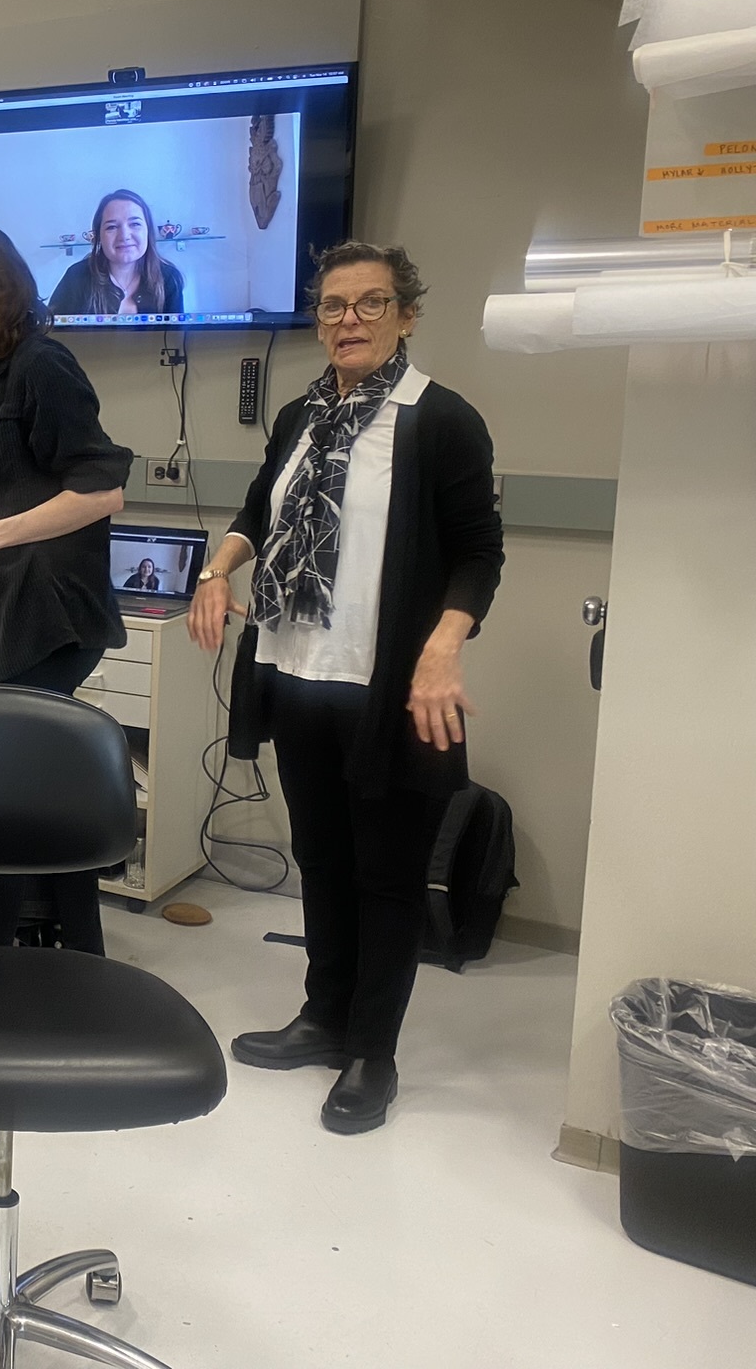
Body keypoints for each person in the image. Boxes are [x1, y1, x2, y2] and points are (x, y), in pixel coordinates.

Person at [187, 242, 504, 1135]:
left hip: (386, 690)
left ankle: (374, 1051)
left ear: (406, 315)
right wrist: (217, 572)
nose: (348, 321)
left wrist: (444, 647)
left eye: (370, 304)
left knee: (388, 873)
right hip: (296, 675)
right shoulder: (298, 416)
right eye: (332, 306)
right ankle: (324, 1016)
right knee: (322, 861)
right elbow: (259, 510)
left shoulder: (439, 420)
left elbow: (481, 551)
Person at [0, 222, 134, 953]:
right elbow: (4, 497)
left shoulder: (44, 366)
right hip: (10, 613)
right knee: (34, 793)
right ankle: (75, 952)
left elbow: (102, 491)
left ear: (1, 290)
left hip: (58, 618)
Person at [47, 188, 185, 318]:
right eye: (111, 227)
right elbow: (50, 335)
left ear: (148, 231)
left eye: (135, 224)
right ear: (98, 235)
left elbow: (176, 340)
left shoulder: (168, 278)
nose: (124, 236)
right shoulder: (76, 276)